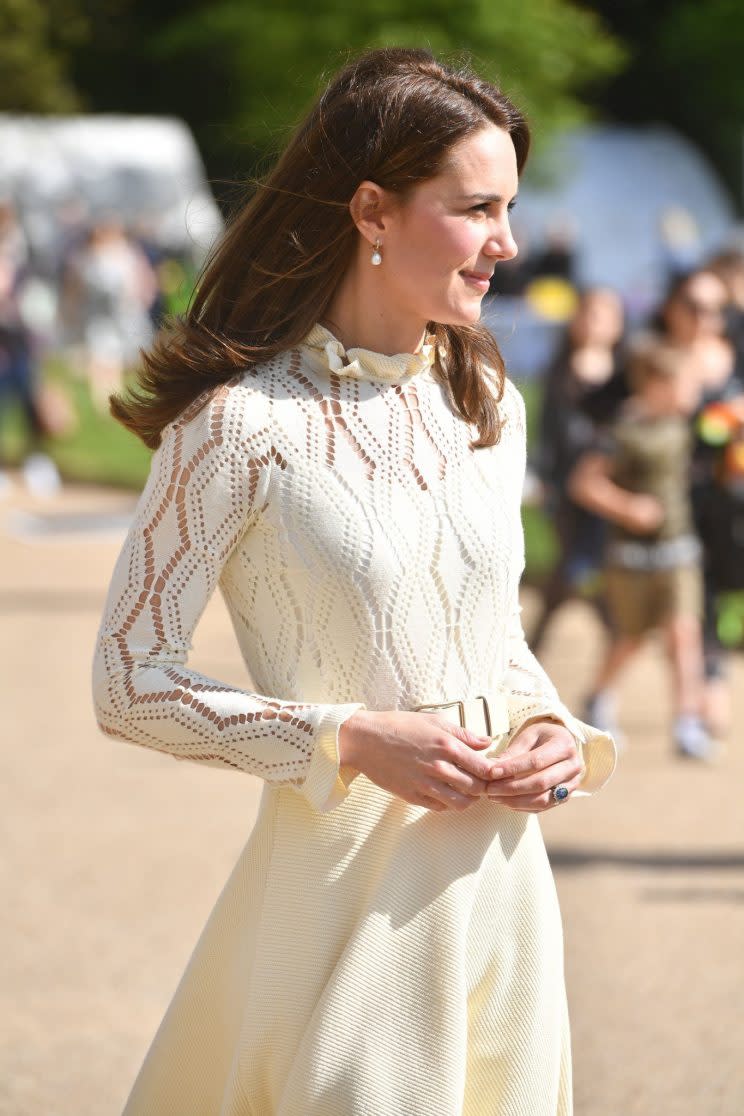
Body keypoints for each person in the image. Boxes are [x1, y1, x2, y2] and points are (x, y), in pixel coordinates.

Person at [92, 48, 616, 1116]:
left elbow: (492, 641)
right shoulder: (237, 426)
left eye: (507, 209)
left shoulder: (487, 410)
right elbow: (126, 681)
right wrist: (345, 737)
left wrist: (553, 728)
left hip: (502, 893)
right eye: (477, 209)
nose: (508, 244)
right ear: (372, 211)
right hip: (337, 904)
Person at [569, 336, 713, 758]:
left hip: (679, 550)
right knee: (630, 638)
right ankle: (598, 697)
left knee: (684, 633)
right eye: (685, 384)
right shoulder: (622, 431)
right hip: (631, 557)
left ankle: (688, 723)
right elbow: (584, 483)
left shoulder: (687, 426)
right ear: (656, 384)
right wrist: (629, 507)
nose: (693, 393)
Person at [655, 267, 744, 738]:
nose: (705, 318)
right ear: (673, 308)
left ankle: (709, 682)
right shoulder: (656, 362)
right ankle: (700, 697)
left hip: (730, 499)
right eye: (695, 306)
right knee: (691, 597)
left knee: (724, 591)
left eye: (715, 308)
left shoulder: (735, 356)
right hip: (674, 500)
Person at [530, 286, 628, 652]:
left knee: (596, 571)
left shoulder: (623, 374)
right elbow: (546, 433)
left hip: (608, 491)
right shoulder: (558, 372)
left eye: (603, 315)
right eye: (587, 313)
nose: (593, 322)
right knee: (572, 566)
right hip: (566, 492)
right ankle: (541, 644)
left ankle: (611, 635)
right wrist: (542, 478)